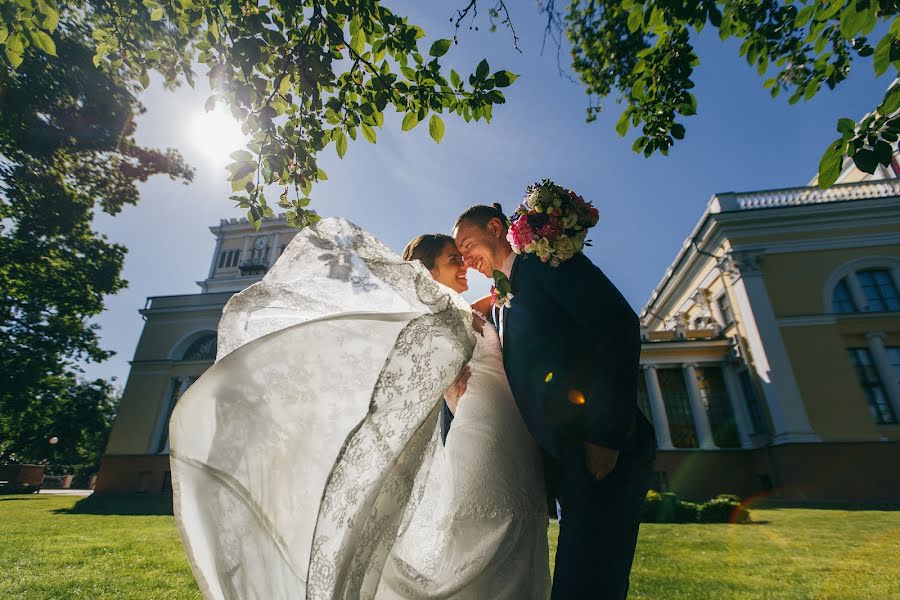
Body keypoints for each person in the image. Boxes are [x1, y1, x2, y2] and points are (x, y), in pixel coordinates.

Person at [169, 219, 549, 600]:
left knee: (515, 522)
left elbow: (494, 307)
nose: (463, 264)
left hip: (506, 429)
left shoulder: (458, 310)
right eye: (453, 258)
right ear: (428, 270)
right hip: (483, 430)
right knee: (493, 523)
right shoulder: (438, 315)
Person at [453, 198, 656, 600]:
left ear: (495, 228)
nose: (464, 258)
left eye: (466, 245)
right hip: (566, 460)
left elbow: (616, 326)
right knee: (587, 584)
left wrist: (606, 435)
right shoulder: (505, 295)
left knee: (585, 584)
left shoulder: (545, 262)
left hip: (600, 450)